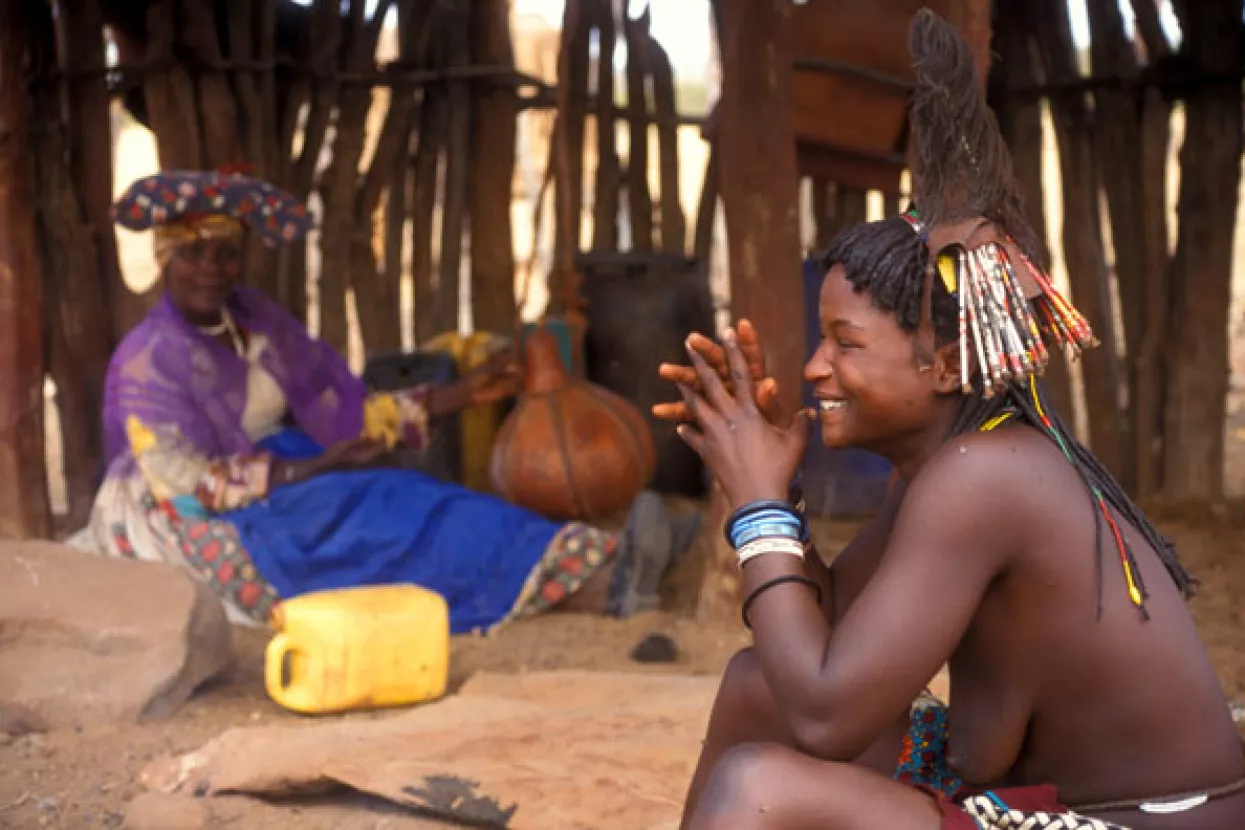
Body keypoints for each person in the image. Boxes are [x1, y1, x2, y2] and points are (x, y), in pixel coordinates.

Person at [654, 11, 1244, 830]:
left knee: (758, 784)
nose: (814, 368)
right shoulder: (950, 466)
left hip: (1136, 823)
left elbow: (829, 714)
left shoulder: (982, 477)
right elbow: (820, 644)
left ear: (943, 366)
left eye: (844, 344)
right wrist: (773, 495)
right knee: (756, 685)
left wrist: (755, 514)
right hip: (1035, 803)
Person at [73, 168, 696, 632]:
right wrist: (317, 467)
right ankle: (603, 576)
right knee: (375, 523)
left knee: (409, 496)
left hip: (279, 474)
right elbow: (186, 485)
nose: (211, 268)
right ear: (163, 260)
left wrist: (460, 393)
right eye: (192, 253)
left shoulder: (257, 322)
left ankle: (594, 559)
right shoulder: (145, 362)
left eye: (225, 251)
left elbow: (344, 414)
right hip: (188, 522)